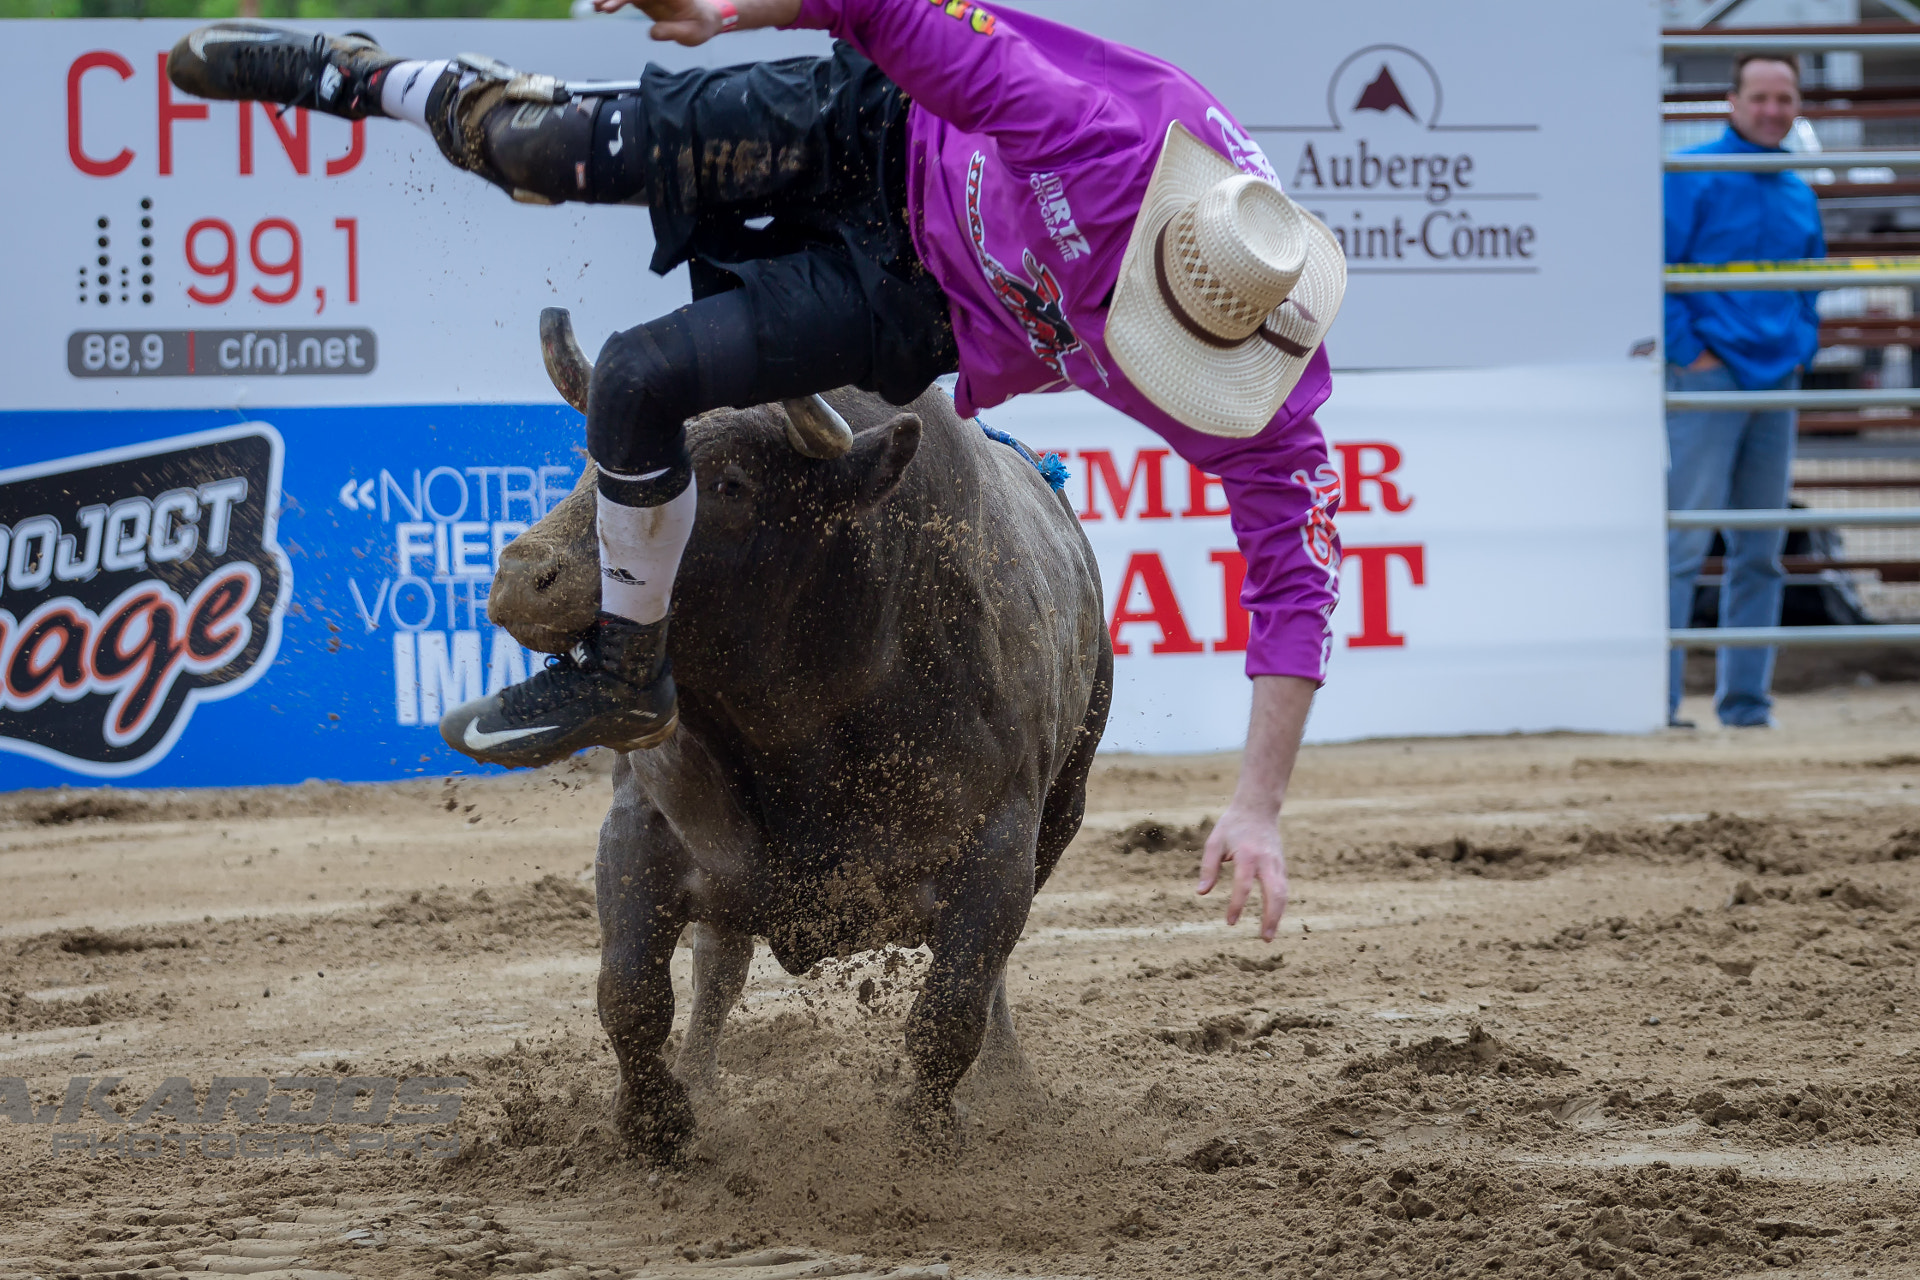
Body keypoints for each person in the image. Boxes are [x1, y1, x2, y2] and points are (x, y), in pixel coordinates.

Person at [169, 0, 1349, 938]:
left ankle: (626, 670)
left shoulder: (1271, 403)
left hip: (905, 305)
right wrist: (725, 12)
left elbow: (1297, 591)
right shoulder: (1097, 143)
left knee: (636, 376)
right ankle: (351, 74)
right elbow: (887, 9)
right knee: (536, 145)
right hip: (865, 126)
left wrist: (1255, 805)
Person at [1663, 51, 1824, 728]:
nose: (1772, 110)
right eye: (1759, 97)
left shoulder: (1797, 189)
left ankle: (1747, 704)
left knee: (1760, 548)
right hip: (1711, 377)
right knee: (1684, 543)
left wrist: (1801, 346)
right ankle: (1660, 703)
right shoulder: (1694, 174)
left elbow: (1808, 283)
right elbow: (1658, 267)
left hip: (1773, 380)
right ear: (1732, 101)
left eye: (1783, 99)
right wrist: (1690, 354)